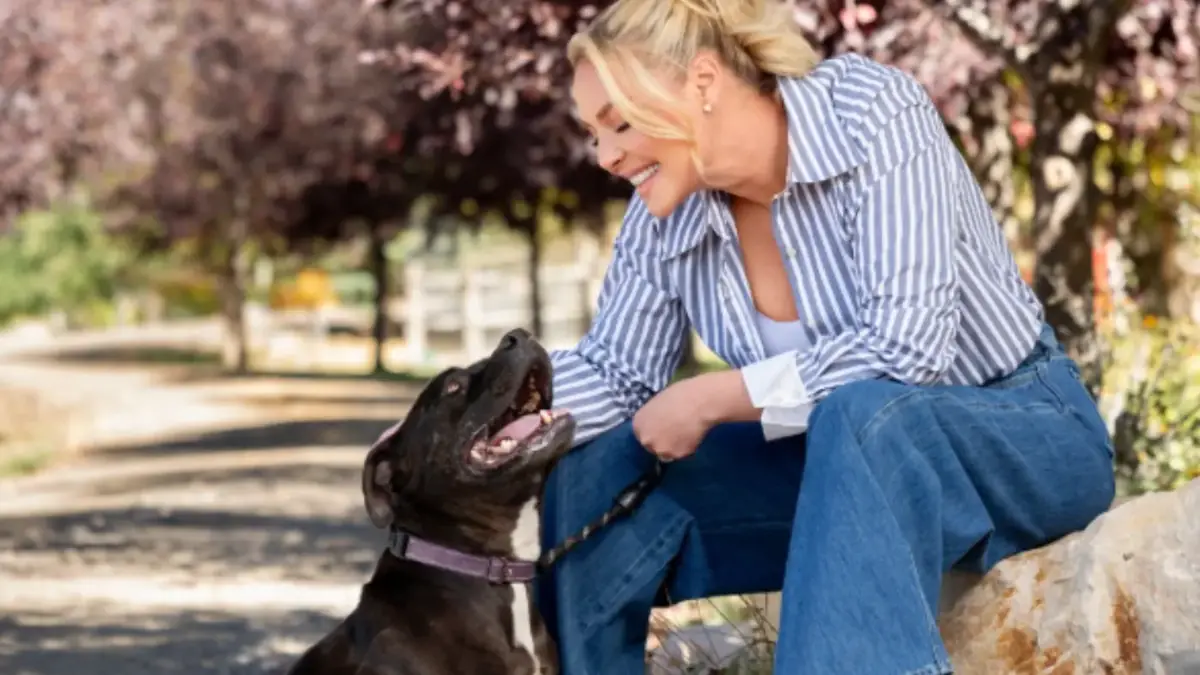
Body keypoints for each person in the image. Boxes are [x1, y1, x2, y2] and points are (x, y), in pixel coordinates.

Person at [536, 0, 1116, 672]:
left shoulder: (871, 115)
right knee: (594, 474)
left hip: (1024, 435)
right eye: (593, 132)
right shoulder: (661, 216)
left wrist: (714, 397)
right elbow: (614, 372)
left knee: (862, 414)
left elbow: (910, 347)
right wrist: (478, 424)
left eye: (621, 123)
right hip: (840, 473)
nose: (606, 155)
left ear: (702, 82)